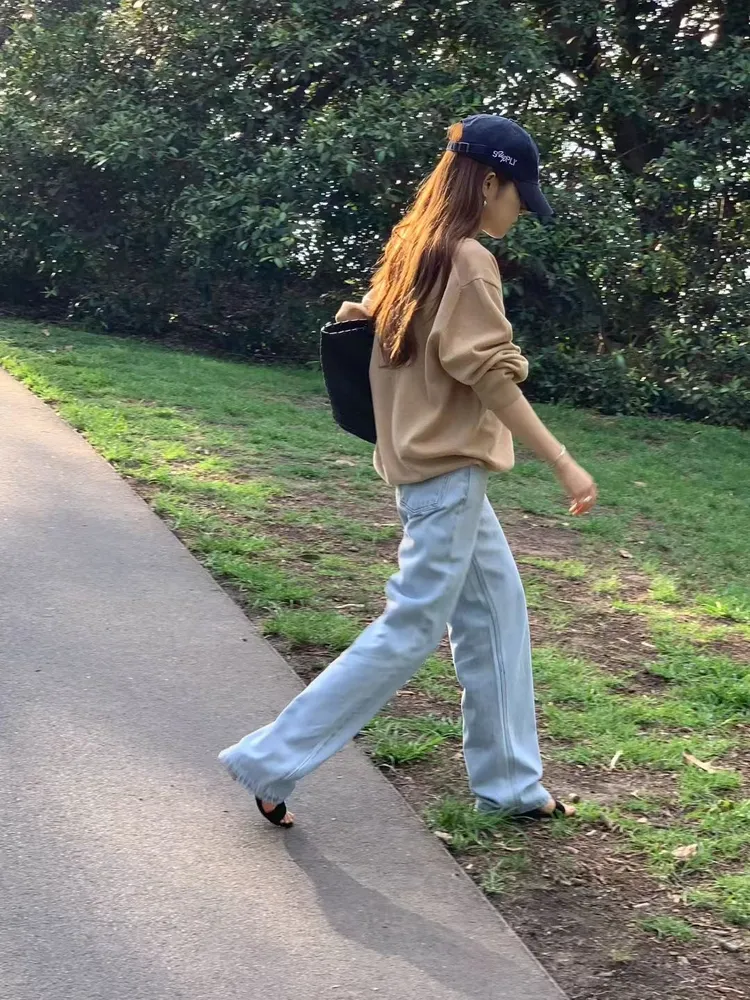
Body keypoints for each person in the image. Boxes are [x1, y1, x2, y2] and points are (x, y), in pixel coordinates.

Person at [219, 114, 597, 828]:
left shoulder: (411, 252)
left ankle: (511, 785)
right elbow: (491, 376)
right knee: (412, 628)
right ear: (489, 182)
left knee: (496, 615)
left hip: (429, 475)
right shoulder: (468, 259)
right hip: (447, 477)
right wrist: (564, 462)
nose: (521, 210)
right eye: (519, 194)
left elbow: (357, 329)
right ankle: (271, 760)